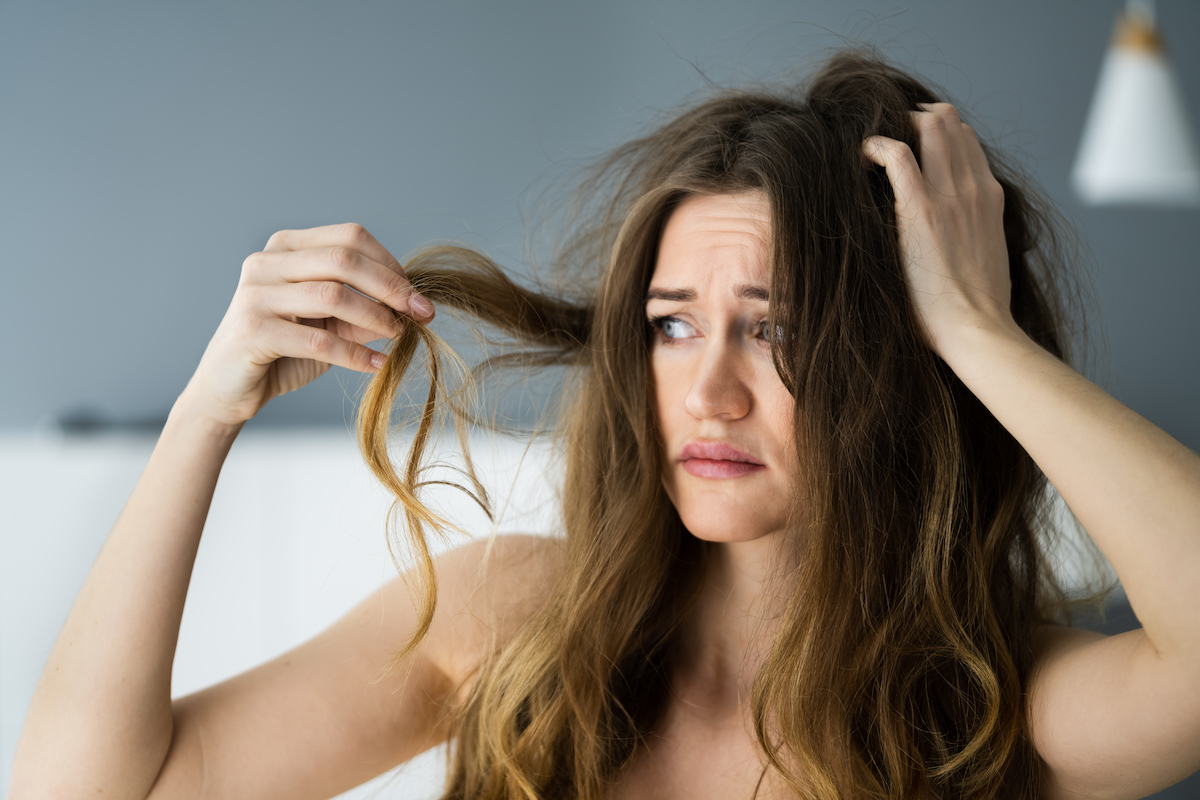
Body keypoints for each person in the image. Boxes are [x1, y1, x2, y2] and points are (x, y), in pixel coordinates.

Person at [10, 49, 1200, 800]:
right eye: (673, 325)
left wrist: (980, 335)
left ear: (902, 361)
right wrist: (203, 414)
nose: (712, 391)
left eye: (780, 330)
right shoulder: (513, 627)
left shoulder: (987, 706)